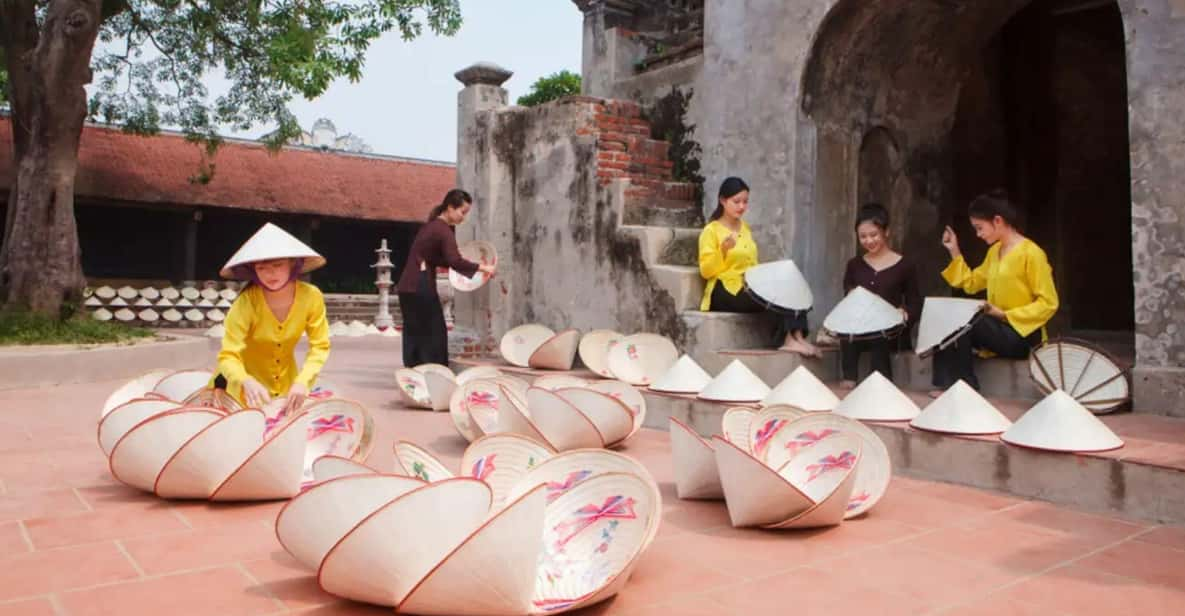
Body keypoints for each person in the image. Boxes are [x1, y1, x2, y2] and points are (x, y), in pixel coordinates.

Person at [931, 189, 1059, 396]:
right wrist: (954, 250)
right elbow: (972, 283)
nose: (978, 234)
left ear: (997, 221)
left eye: (980, 228)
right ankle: (945, 382)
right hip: (998, 329)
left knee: (969, 321)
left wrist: (1004, 315)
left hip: (1024, 334)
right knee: (949, 314)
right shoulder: (994, 252)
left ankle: (966, 385)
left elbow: (1049, 303)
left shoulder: (1032, 254)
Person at [215, 222, 331, 414]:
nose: (271, 273)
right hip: (244, 392)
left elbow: (320, 346)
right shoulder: (246, 303)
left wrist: (303, 382)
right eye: (262, 268)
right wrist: (246, 381)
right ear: (254, 271)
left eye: (278, 265)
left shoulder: (311, 296)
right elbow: (228, 355)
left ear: (293, 264)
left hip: (288, 390)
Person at [698, 177, 819, 357]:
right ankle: (786, 340)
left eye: (745, 202)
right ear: (723, 201)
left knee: (787, 283)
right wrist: (722, 250)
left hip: (746, 284)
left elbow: (752, 264)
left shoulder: (744, 228)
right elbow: (706, 271)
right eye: (736, 201)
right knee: (774, 297)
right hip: (724, 289)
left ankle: (798, 336)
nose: (741, 206)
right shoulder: (711, 230)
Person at [397, 189, 496, 367]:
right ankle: (434, 373)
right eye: (462, 212)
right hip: (420, 286)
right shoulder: (443, 230)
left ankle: (414, 373)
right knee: (434, 333)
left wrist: (465, 267)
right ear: (450, 207)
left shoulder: (431, 226)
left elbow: (436, 259)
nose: (463, 217)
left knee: (414, 332)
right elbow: (454, 260)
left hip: (407, 286)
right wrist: (482, 267)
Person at [838, 203, 922, 389]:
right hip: (860, 326)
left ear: (886, 232)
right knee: (846, 330)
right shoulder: (854, 265)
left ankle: (880, 386)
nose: (869, 241)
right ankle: (849, 380)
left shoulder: (904, 265)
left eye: (874, 235)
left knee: (880, 334)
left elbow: (915, 302)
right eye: (863, 236)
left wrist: (905, 313)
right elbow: (848, 299)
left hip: (891, 329)